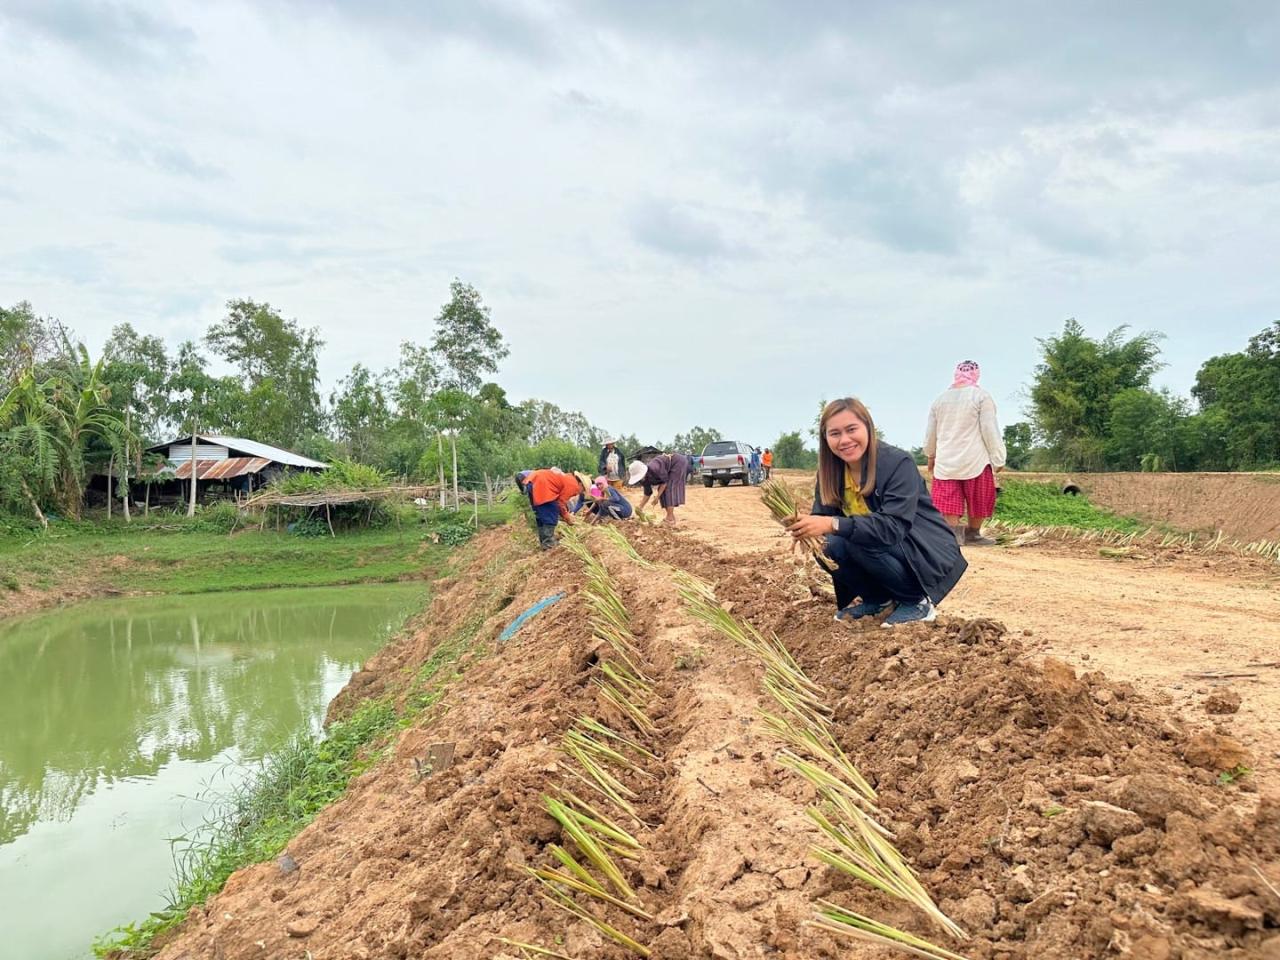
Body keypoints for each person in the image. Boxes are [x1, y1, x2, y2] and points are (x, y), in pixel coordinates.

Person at [788, 397, 966, 627]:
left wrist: (833, 524)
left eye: (852, 429)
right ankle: (878, 599)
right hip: (883, 545)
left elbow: (892, 527)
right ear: (825, 438)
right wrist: (807, 528)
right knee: (826, 544)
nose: (844, 440)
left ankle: (916, 602)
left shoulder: (897, 463)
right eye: (835, 433)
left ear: (868, 428)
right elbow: (823, 518)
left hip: (918, 545)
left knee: (855, 537)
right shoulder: (830, 472)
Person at [922, 360, 1007, 547]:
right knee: (979, 497)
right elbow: (989, 429)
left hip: (946, 461)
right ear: (977, 374)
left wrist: (931, 455)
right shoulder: (982, 397)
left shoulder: (940, 400)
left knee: (947, 499)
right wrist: (998, 458)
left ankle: (952, 535)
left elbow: (931, 432)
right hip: (974, 459)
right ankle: (973, 535)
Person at [516, 468, 584, 549]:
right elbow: (560, 503)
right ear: (580, 484)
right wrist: (567, 517)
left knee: (540, 515)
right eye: (583, 489)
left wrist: (565, 513)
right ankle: (548, 543)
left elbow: (561, 501)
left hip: (534, 482)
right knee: (551, 513)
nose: (580, 492)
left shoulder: (568, 478)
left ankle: (544, 542)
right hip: (543, 485)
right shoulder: (574, 485)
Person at [628, 451, 689, 525]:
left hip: (678, 462)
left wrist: (657, 497)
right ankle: (671, 517)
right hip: (668, 469)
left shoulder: (655, 469)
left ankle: (669, 519)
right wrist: (640, 507)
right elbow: (648, 493)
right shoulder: (643, 480)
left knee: (669, 488)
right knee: (662, 490)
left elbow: (664, 483)